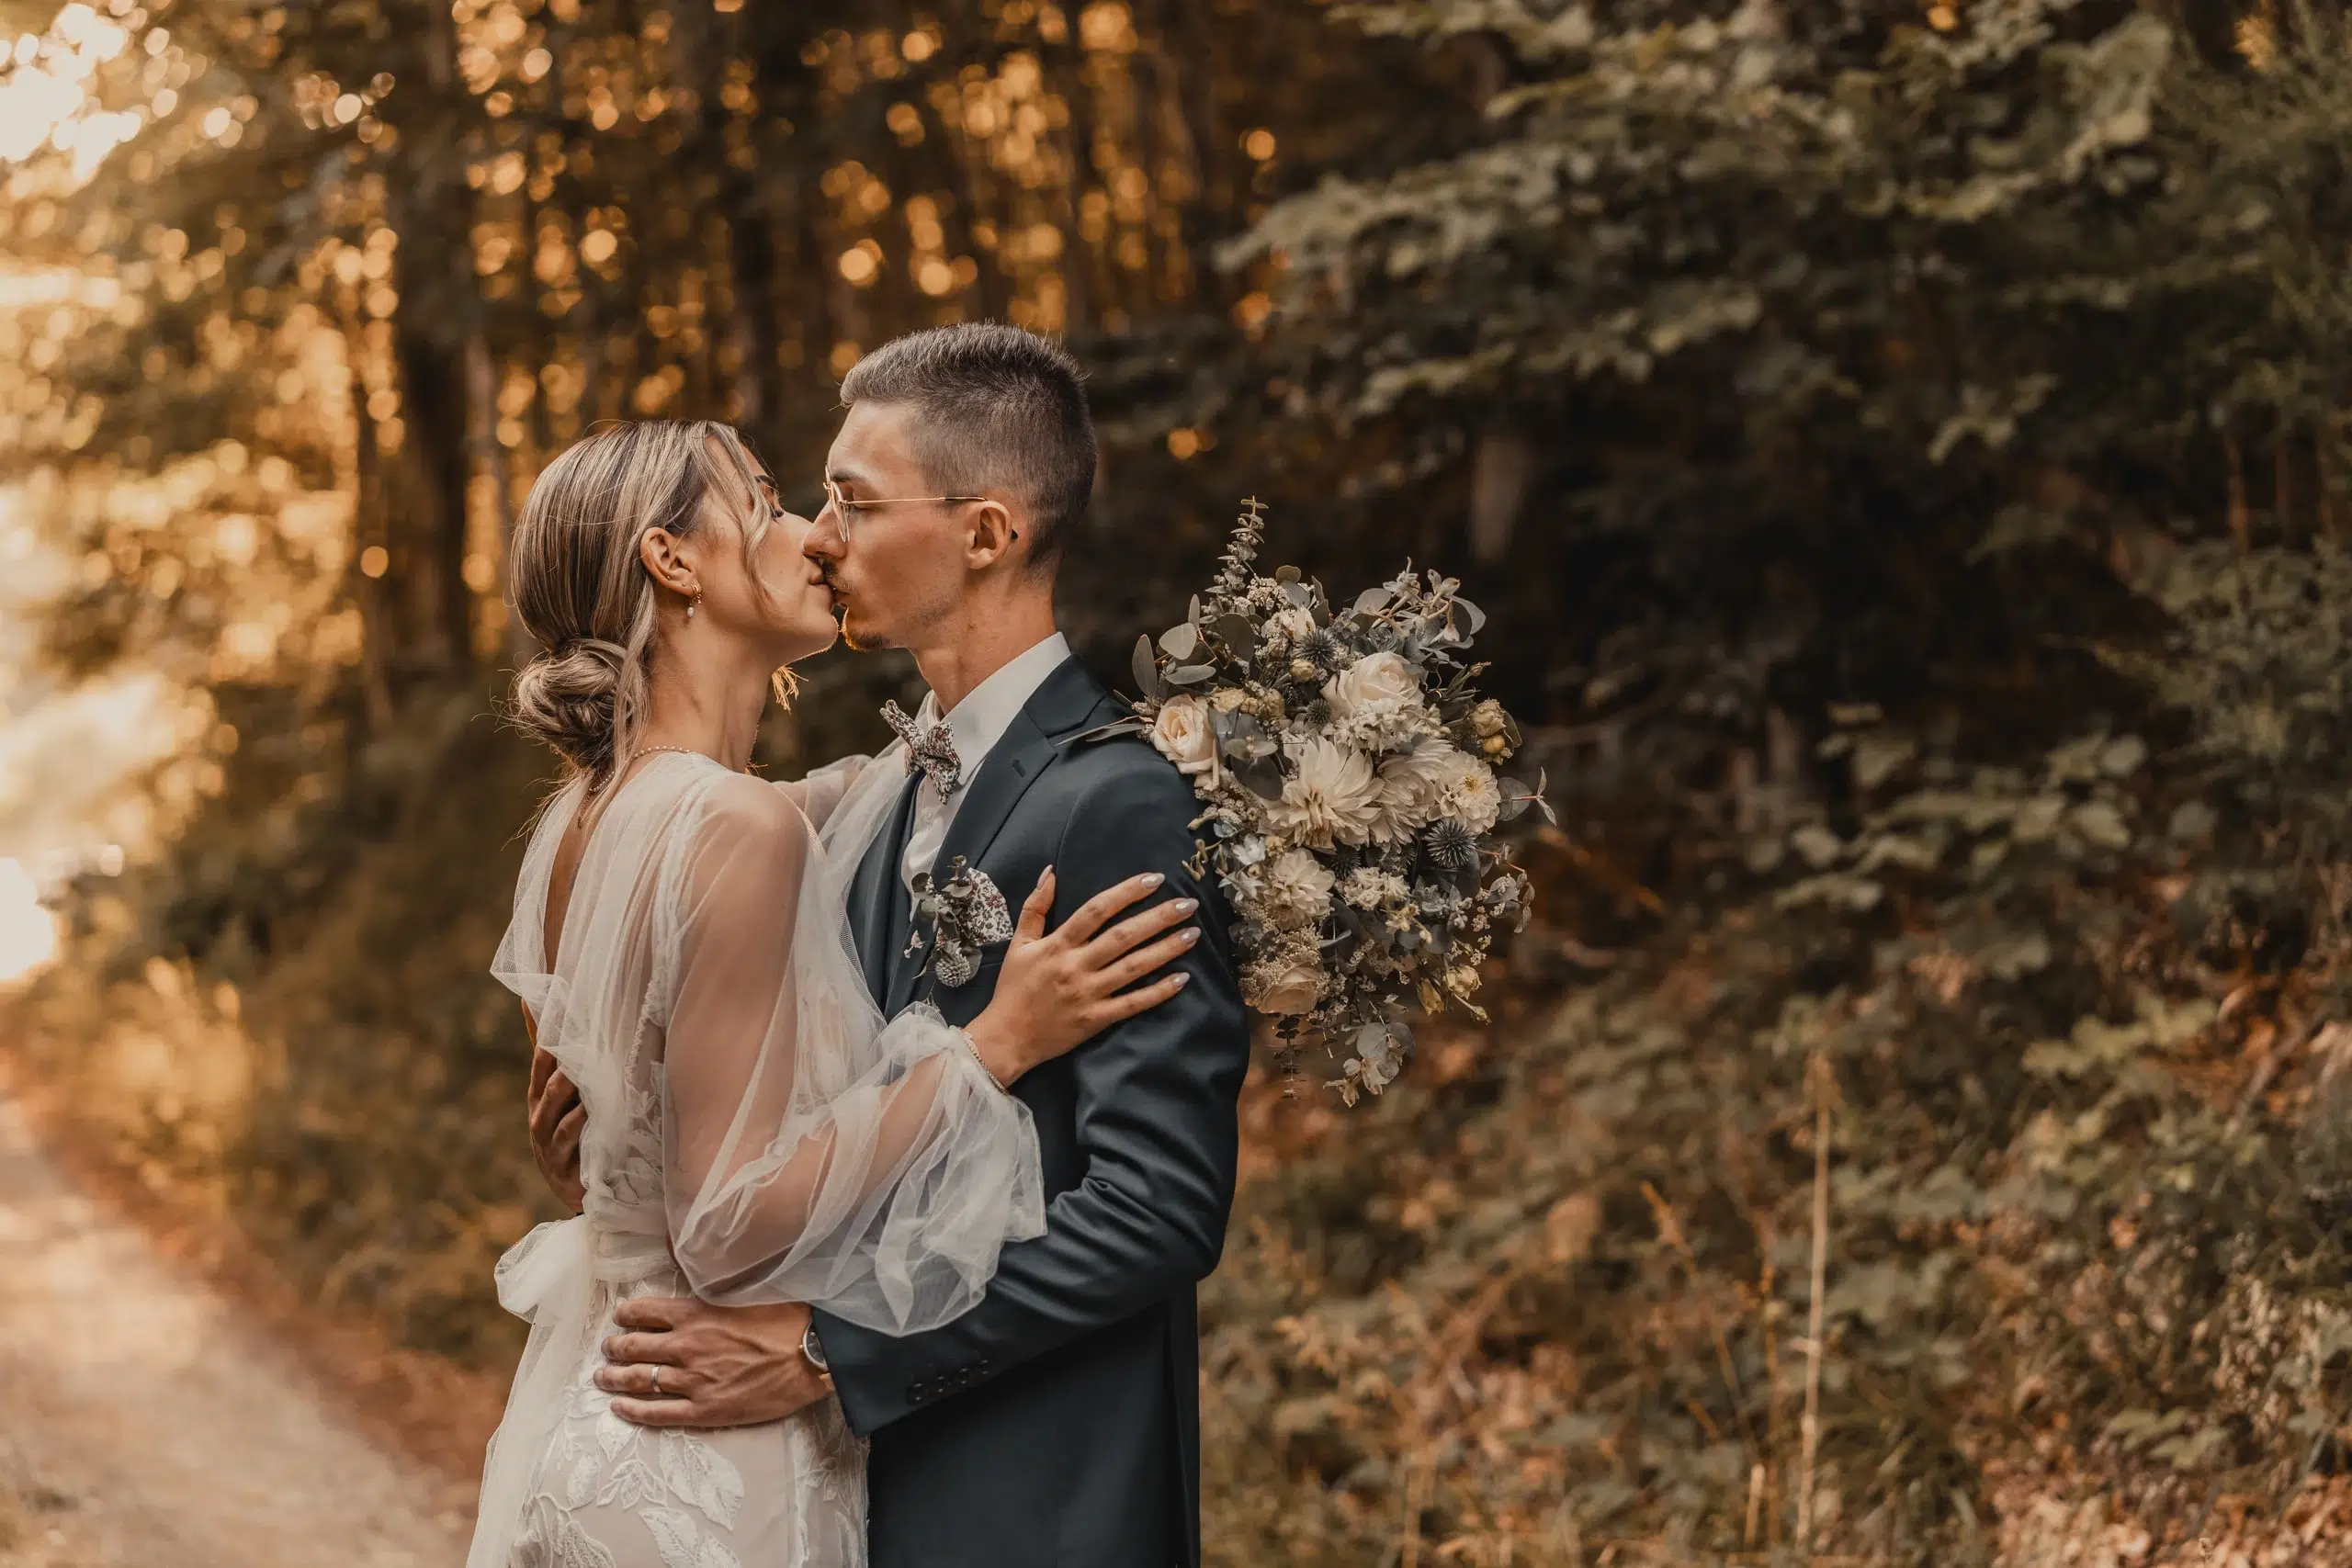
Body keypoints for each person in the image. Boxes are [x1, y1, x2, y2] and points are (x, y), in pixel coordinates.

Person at [528, 324, 1253, 1568]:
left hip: (1032, 1498)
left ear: (985, 532)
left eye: (853, 502)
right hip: (835, 1480)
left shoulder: (1120, 800)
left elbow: (1155, 1208)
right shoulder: (851, 814)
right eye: (811, 501)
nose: (820, 534)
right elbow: (780, 1138)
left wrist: (831, 1350)